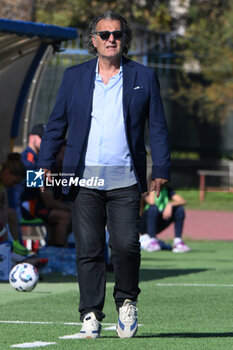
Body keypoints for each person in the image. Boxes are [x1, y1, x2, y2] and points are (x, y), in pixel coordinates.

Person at [38, 11, 170, 339]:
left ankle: (126, 300)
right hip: (82, 178)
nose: (112, 39)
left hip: (125, 177)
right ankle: (91, 313)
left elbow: (157, 127)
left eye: (118, 34)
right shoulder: (73, 77)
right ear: (93, 40)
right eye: (105, 34)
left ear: (126, 39)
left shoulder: (144, 76)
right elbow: (56, 124)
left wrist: (162, 168)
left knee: (126, 244)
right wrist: (44, 164)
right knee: (89, 247)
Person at [16, 124, 71, 247]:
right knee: (64, 217)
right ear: (32, 138)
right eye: (42, 139)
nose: (45, 143)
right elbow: (43, 196)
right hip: (28, 205)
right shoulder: (30, 162)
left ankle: (56, 245)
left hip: (37, 204)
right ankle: (56, 251)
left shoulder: (40, 161)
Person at [139, 185, 191, 253]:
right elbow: (152, 202)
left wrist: (170, 204)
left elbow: (182, 201)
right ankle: (152, 240)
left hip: (158, 222)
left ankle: (178, 241)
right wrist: (153, 188)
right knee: (153, 209)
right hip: (144, 225)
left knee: (179, 209)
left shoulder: (166, 189)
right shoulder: (146, 189)